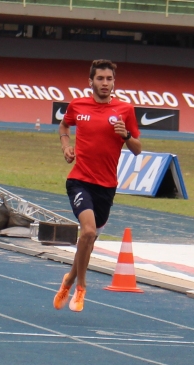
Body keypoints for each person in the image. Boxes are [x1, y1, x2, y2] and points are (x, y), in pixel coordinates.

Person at [53, 59, 142, 312]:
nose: (105, 83)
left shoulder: (125, 109)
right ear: (90, 81)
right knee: (89, 232)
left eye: (109, 79)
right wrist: (66, 146)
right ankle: (81, 287)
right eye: (100, 79)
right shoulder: (77, 105)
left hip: (106, 186)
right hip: (79, 180)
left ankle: (69, 278)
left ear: (114, 82)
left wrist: (125, 135)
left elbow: (137, 149)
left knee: (88, 241)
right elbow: (64, 125)